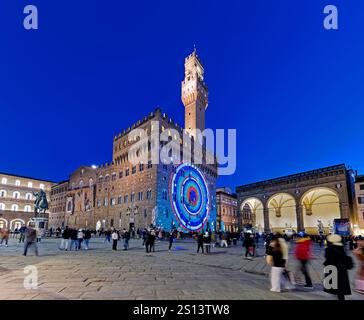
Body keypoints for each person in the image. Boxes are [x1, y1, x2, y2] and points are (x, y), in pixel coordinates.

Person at [323, 234, 353, 300]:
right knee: (341, 288)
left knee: (334, 287)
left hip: (332, 270)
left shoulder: (329, 249)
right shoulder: (342, 248)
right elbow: (345, 258)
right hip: (342, 270)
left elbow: (329, 260)